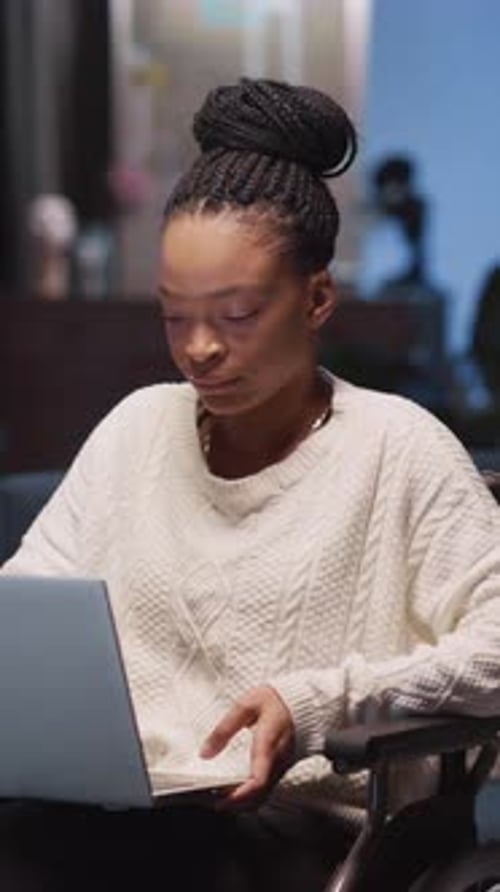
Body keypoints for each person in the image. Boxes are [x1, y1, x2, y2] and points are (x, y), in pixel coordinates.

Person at [1, 76, 500, 891]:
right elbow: (22, 614)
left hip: (299, 831)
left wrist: (315, 706)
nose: (198, 349)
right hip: (115, 813)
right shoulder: (137, 429)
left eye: (235, 316)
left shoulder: (397, 448)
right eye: (174, 315)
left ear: (316, 299)